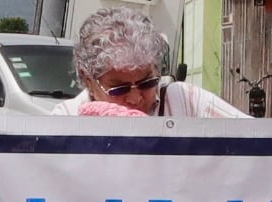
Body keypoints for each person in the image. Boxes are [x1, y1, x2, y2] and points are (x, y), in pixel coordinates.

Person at [50, 7, 248, 118]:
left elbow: (261, 145)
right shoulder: (67, 119)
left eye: (147, 83)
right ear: (89, 80)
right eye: (119, 88)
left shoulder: (186, 102)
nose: (136, 98)